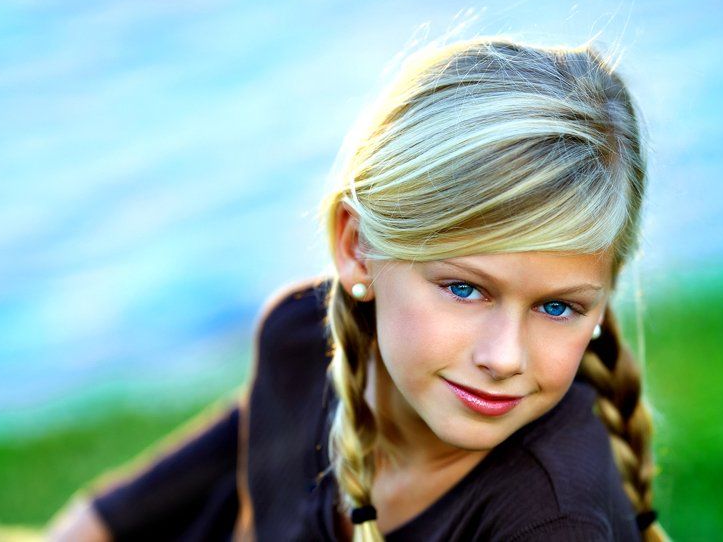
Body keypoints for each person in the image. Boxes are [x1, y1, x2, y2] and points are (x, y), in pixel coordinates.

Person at [48, 36, 667, 541]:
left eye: (558, 306)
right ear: (357, 248)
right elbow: (124, 512)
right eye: (464, 289)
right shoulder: (301, 336)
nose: (504, 357)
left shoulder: (546, 519)